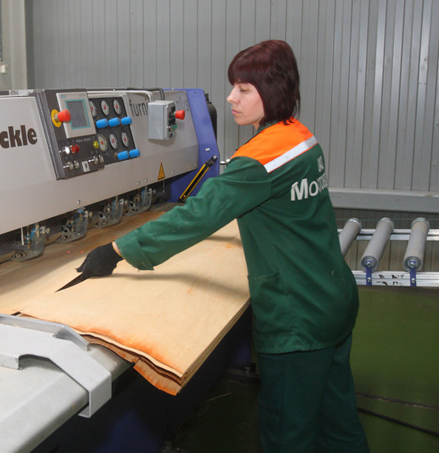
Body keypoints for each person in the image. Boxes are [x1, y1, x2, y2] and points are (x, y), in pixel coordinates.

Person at [77, 40, 370, 452]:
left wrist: (117, 250)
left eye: (244, 89)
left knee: (288, 434)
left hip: (298, 318)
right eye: (233, 87)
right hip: (332, 297)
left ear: (273, 91)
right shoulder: (300, 137)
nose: (231, 97)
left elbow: (198, 216)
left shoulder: (259, 159)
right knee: (337, 423)